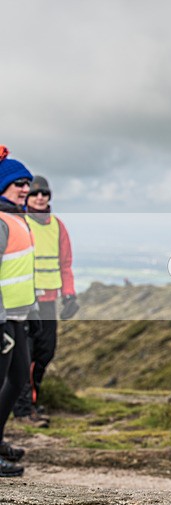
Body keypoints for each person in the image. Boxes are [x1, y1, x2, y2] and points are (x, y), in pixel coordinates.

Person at [12, 175, 78, 427]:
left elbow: (65, 264)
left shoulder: (58, 226)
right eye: (35, 193)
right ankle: (22, 410)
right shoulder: (19, 223)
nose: (40, 197)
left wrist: (69, 295)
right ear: (27, 197)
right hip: (26, 301)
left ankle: (31, 400)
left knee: (45, 353)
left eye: (45, 193)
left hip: (49, 302)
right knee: (24, 355)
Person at [0, 147, 38, 477]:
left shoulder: (17, 218)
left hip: (18, 316)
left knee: (17, 380)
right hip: (3, 319)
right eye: (18, 183)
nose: (25, 188)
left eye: (27, 182)